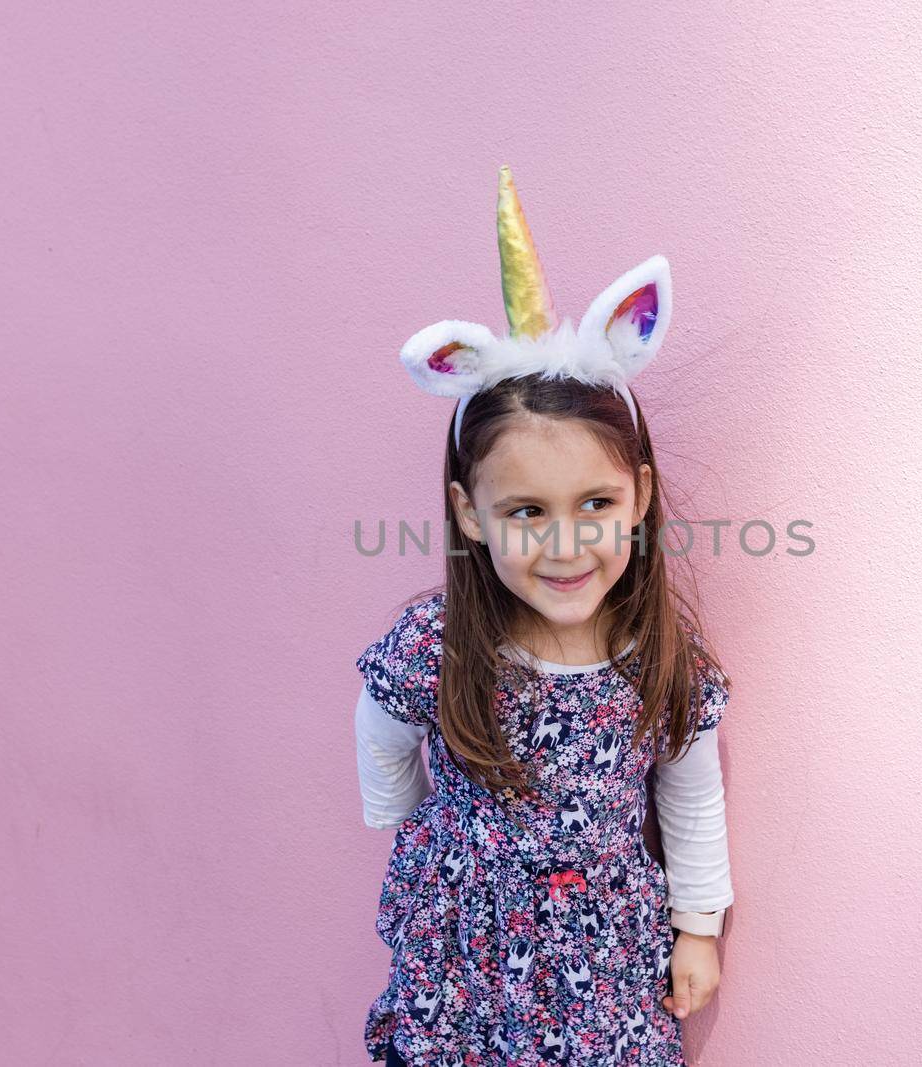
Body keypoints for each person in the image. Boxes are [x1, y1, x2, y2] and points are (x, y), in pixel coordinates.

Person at [353, 165, 734, 1065]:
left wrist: (698, 925)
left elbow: (690, 789)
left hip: (602, 967)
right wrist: (410, 818)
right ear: (469, 514)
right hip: (463, 955)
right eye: (526, 512)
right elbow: (380, 727)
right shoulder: (434, 649)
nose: (566, 546)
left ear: (638, 496)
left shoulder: (660, 659)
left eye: (594, 503)